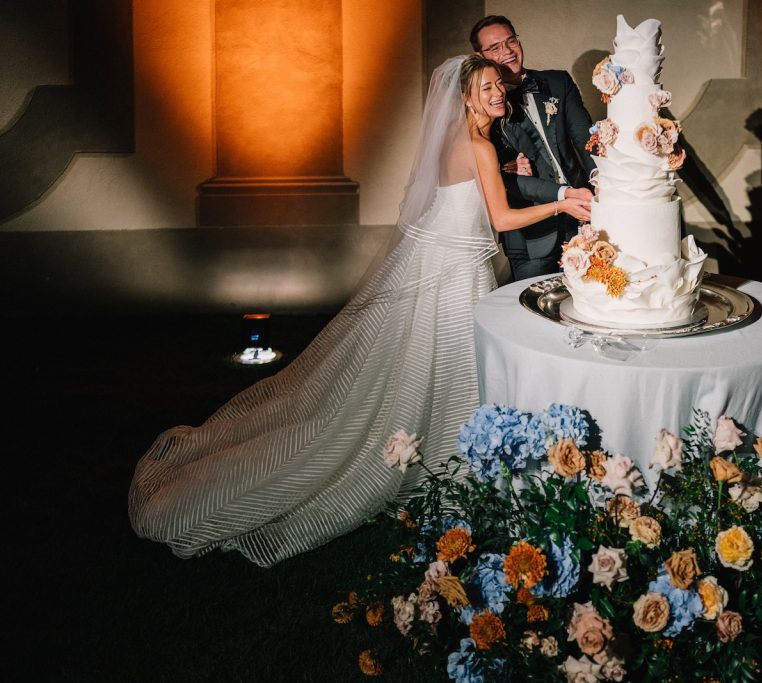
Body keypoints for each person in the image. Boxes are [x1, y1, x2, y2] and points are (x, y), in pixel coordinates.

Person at [127, 55, 590, 568]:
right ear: (465, 95)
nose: (498, 94)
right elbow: (500, 216)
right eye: (486, 88)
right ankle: (454, 460)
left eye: (498, 87)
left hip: (436, 257)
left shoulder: (456, 142)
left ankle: (445, 449)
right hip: (455, 268)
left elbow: (468, 191)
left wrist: (504, 171)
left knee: (422, 363)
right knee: (451, 364)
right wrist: (562, 204)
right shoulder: (479, 144)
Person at [471, 15, 597, 280]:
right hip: (530, 235)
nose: (507, 51)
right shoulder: (484, 108)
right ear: (479, 55)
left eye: (511, 41)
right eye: (495, 48)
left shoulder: (558, 83)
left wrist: (600, 181)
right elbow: (502, 179)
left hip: (585, 218)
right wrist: (565, 196)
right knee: (532, 313)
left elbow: (586, 139)